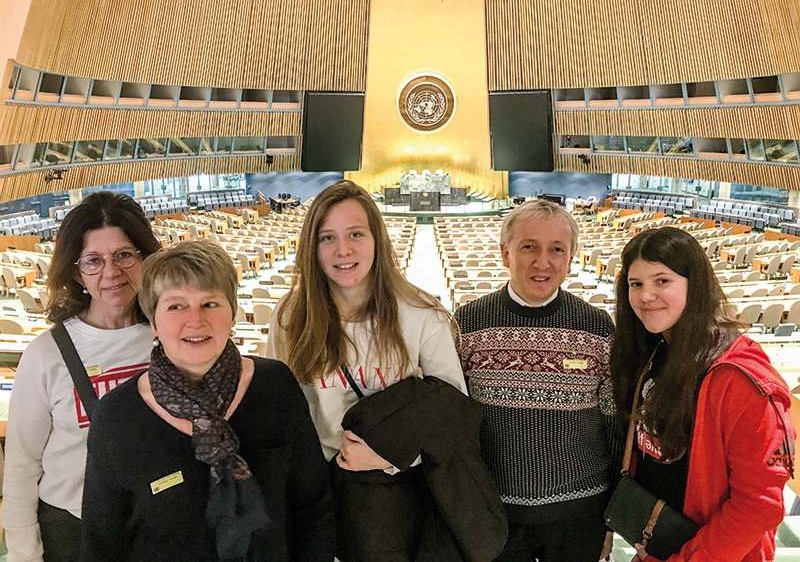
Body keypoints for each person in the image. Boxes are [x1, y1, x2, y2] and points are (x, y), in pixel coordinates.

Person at [267, 180, 503, 561]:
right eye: (327, 237)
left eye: (355, 234)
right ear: (311, 247)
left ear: (377, 239)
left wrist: (393, 456)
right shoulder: (290, 317)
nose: (343, 250)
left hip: (400, 496)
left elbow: (453, 414)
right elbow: (280, 410)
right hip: (321, 493)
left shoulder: (422, 314)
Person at [80, 239, 335, 561]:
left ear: (232, 313)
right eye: (176, 306)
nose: (195, 320)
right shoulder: (118, 416)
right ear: (154, 322)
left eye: (210, 303)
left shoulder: (275, 386)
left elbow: (313, 507)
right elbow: (102, 541)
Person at [610, 226, 795, 562]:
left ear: (694, 285)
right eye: (636, 284)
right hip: (660, 543)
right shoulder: (656, 350)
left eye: (662, 281)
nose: (645, 295)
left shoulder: (740, 380)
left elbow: (759, 506)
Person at [454, 199, 622, 562]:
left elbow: (614, 428)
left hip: (580, 515)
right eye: (529, 247)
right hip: (493, 516)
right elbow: (453, 428)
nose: (543, 262)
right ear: (505, 254)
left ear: (570, 257)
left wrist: (610, 518)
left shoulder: (597, 327)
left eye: (556, 250)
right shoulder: (466, 324)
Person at [2, 191, 161, 562]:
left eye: (124, 255)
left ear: (145, 258)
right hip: (73, 531)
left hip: (155, 522)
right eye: (93, 260)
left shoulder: (169, 336)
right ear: (76, 272)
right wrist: (25, 553)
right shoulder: (47, 354)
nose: (111, 272)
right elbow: (23, 466)